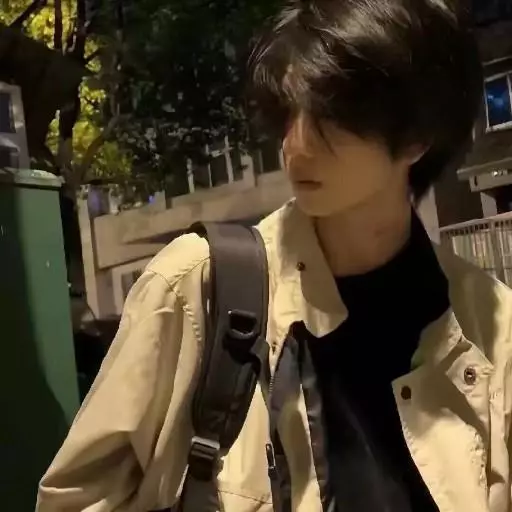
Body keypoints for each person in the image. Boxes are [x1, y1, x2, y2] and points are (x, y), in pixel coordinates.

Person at [36, 1, 512, 511]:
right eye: (288, 112)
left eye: (333, 115)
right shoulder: (198, 286)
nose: (296, 144)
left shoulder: (492, 325)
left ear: (416, 137)